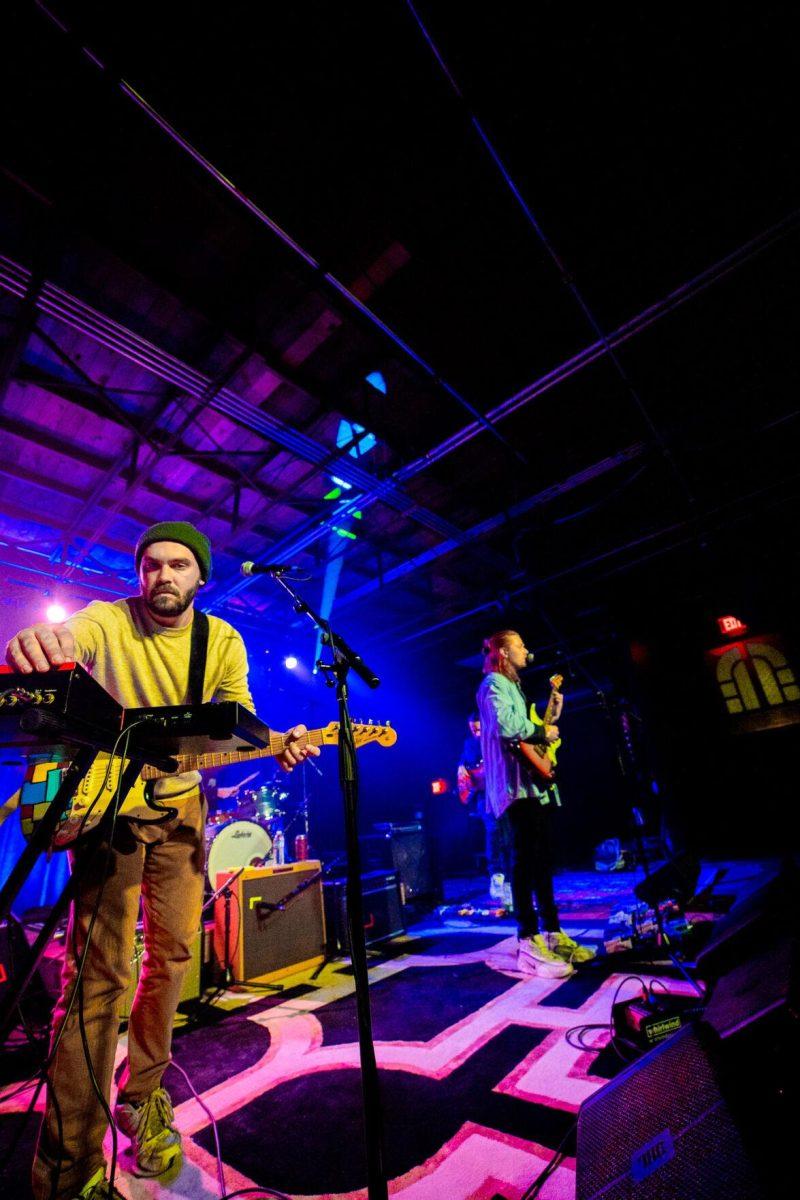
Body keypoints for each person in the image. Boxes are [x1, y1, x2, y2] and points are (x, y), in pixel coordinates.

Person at [5, 521, 320, 1200]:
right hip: (109, 810)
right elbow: (71, 636)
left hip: (180, 810)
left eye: (178, 565)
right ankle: (67, 1172)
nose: (163, 576)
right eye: (151, 565)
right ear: (138, 574)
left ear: (200, 577)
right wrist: (42, 640)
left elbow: (233, 729)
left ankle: (140, 1094)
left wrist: (279, 743)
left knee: (175, 956)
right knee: (97, 980)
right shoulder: (108, 621)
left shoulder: (222, 642)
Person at [476, 629, 595, 978]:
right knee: (525, 860)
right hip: (514, 789)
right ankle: (527, 939)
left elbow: (527, 733)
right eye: (521, 646)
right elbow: (507, 726)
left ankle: (552, 932)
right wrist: (543, 732)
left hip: (530, 786)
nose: (527, 650)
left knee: (541, 859)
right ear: (503, 652)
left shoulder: (512, 687)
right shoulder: (493, 685)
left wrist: (548, 718)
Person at [456, 713, 512, 899]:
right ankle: (496, 875)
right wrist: (461, 767)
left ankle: (510, 878)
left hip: (502, 792)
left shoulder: (496, 739)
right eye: (473, 729)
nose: (476, 732)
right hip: (483, 796)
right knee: (493, 830)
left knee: (507, 834)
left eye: (478, 728)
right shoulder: (469, 744)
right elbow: (463, 763)